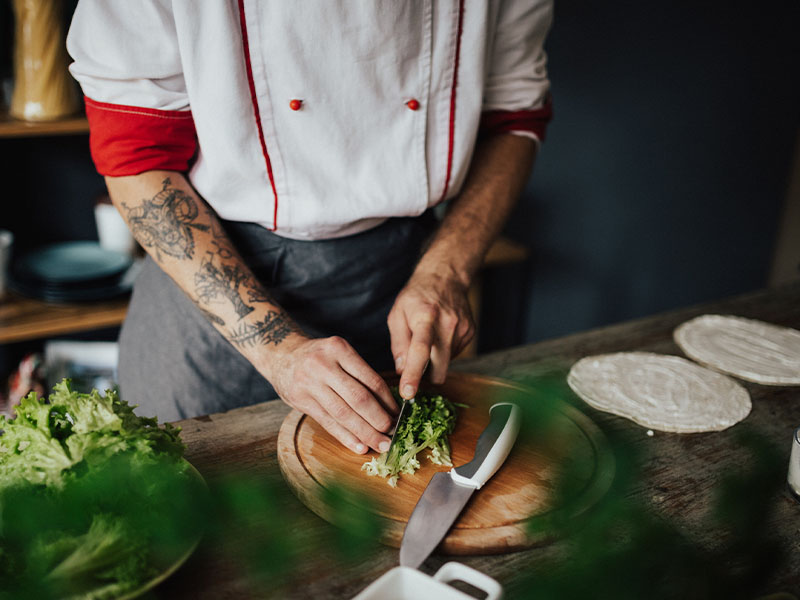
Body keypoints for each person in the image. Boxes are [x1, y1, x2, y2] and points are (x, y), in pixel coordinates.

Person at [66, 0, 553, 456]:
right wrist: (279, 351)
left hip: (402, 276)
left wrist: (446, 270)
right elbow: (135, 156)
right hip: (216, 297)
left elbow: (513, 116)